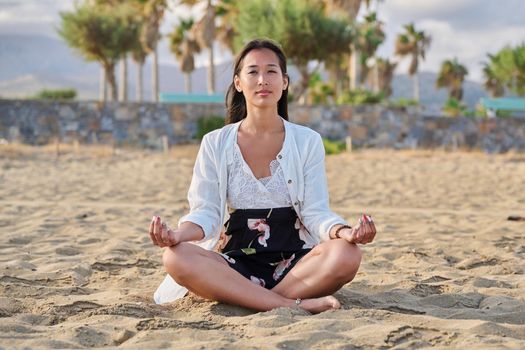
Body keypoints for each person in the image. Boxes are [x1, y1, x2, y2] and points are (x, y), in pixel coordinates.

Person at [150, 39, 376, 314]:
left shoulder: (307, 141)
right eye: (253, 72)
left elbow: (316, 211)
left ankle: (252, 299)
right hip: (236, 262)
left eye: (271, 71)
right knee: (175, 257)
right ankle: (286, 304)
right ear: (238, 83)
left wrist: (345, 232)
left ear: (285, 82)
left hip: (297, 264)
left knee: (348, 253)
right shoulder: (215, 143)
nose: (262, 80)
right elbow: (206, 213)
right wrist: (175, 235)